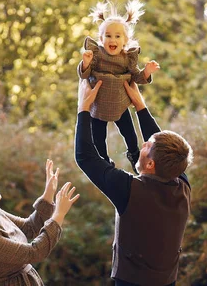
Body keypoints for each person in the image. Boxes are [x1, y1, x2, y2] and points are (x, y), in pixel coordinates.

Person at [75, 79, 193, 286]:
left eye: (148, 146)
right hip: (167, 281)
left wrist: (83, 108)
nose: (144, 142)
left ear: (150, 165)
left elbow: (85, 157)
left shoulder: (129, 190)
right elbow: (162, 149)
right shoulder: (181, 183)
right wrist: (139, 103)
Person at [78, 0, 160, 172]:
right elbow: (84, 75)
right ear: (101, 39)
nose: (112, 39)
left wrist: (147, 71)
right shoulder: (97, 56)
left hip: (121, 105)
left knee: (130, 135)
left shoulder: (127, 58)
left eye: (117, 36)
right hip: (98, 107)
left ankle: (134, 154)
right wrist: (85, 63)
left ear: (125, 40)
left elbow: (137, 77)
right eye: (108, 36)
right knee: (98, 139)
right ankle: (105, 161)